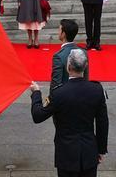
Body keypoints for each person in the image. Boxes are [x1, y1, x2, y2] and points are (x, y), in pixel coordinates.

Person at [30, 49, 108, 177]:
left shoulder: (59, 93)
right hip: (89, 152)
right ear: (86, 66)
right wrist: (100, 150)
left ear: (68, 67)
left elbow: (38, 116)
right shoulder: (97, 90)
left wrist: (36, 94)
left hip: (66, 154)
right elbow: (102, 123)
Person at [50, 18, 87, 95]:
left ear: (63, 34)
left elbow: (56, 84)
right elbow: (85, 78)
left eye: (59, 30)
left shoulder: (58, 56)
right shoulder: (83, 52)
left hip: (65, 96)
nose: (58, 32)